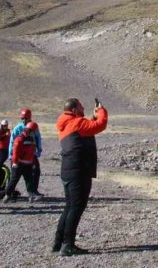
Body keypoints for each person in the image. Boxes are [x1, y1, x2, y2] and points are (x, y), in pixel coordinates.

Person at [53, 98, 108, 257]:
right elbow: (100, 125)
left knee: (70, 206)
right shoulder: (77, 123)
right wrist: (101, 111)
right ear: (74, 109)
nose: (83, 108)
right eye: (81, 106)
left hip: (69, 170)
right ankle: (68, 245)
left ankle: (58, 242)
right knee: (76, 207)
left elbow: (87, 128)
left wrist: (93, 116)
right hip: (78, 171)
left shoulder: (68, 123)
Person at [9, 109, 43, 197]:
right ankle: (9, 193)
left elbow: (38, 138)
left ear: (30, 118)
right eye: (23, 118)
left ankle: (33, 191)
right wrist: (11, 155)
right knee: (15, 175)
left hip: (31, 154)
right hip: (19, 156)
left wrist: (38, 150)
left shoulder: (34, 127)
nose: (24, 120)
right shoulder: (18, 128)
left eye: (26, 118)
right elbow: (12, 142)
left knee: (35, 172)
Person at [3, 122, 40, 203]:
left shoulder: (31, 139)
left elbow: (33, 152)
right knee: (14, 179)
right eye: (33, 131)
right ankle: (7, 195)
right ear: (30, 130)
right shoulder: (19, 139)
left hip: (28, 164)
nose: (34, 133)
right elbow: (15, 152)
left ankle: (31, 195)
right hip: (19, 164)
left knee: (29, 180)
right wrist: (15, 162)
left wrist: (33, 162)